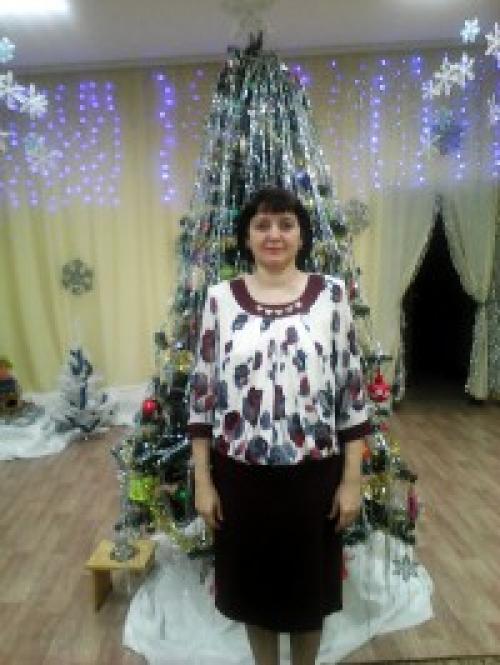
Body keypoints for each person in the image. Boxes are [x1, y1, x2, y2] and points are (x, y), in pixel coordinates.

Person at [187, 187, 370, 665]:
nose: (275, 235)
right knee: (255, 596)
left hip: (314, 478)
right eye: (262, 225)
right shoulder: (219, 300)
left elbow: (352, 392)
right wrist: (203, 481)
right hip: (241, 480)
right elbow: (202, 395)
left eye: (286, 224)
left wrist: (352, 481)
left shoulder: (331, 295)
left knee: (308, 600)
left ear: (301, 235)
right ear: (246, 236)